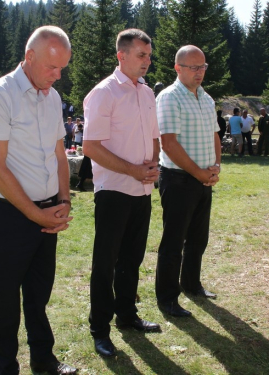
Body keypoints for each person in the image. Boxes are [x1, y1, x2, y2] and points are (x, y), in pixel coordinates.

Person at [0, 26, 76, 375]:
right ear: (29, 57)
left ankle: (44, 361)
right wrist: (36, 215)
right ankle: (7, 368)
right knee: (7, 296)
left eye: (62, 68)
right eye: (51, 67)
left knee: (38, 292)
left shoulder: (53, 97)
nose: (57, 76)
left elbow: (59, 155)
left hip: (48, 208)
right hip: (10, 213)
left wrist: (64, 200)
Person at [83, 28, 161, 358]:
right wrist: (132, 170)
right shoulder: (104, 93)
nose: (147, 61)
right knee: (106, 261)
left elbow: (154, 136)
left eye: (149, 55)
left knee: (132, 258)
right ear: (122, 55)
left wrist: (154, 163)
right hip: (114, 190)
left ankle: (127, 316)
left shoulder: (146, 93)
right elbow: (90, 147)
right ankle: (100, 328)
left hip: (142, 190)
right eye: (141, 55)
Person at [155, 45, 221, 318]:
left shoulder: (206, 98)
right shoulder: (170, 97)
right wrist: (200, 173)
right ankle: (167, 298)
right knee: (174, 241)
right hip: (179, 179)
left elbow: (215, 135)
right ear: (178, 68)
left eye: (203, 66)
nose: (199, 72)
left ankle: (192, 284)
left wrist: (217, 166)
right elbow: (168, 144)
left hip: (203, 178)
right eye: (193, 67)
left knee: (197, 238)